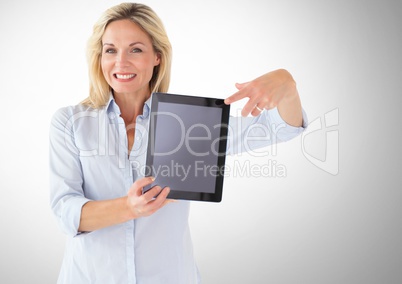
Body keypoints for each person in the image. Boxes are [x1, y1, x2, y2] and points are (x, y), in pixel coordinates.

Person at [49, 3, 307, 284]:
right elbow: (66, 212)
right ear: (99, 56)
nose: (120, 62)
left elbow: (279, 128)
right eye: (110, 50)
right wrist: (130, 207)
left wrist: (287, 84)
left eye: (135, 49)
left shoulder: (191, 123)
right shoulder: (70, 122)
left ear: (157, 56)